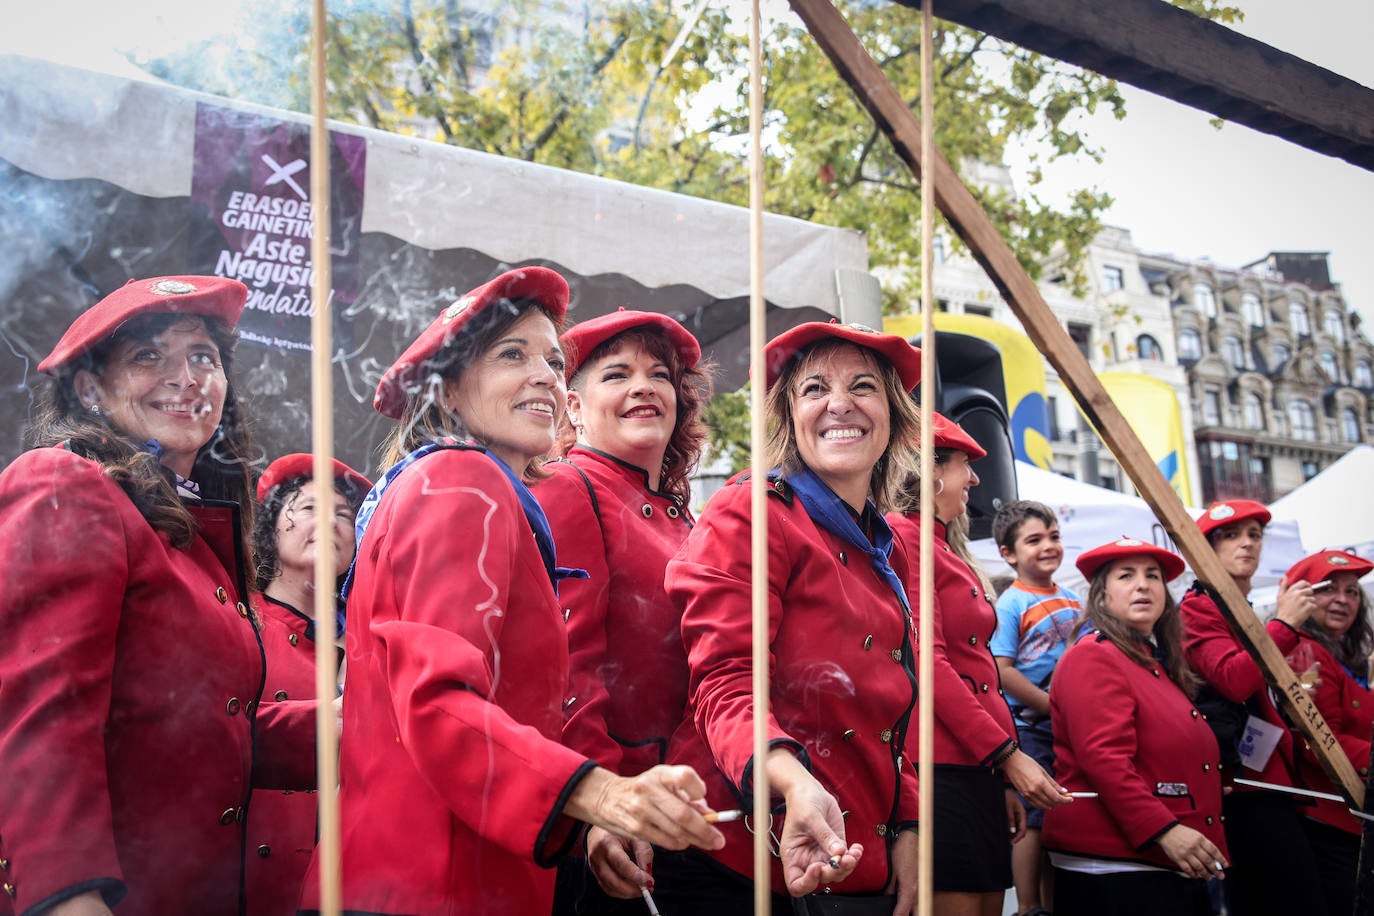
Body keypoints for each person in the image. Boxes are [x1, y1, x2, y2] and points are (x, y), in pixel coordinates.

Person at [296, 267, 723, 916]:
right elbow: (438, 703)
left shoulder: (452, 483)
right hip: (433, 885)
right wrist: (602, 793)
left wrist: (585, 822)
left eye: (553, 360)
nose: (547, 376)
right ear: (450, 390)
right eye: (512, 354)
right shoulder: (462, 479)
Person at [0, 276, 315, 916]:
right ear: (89, 389)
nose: (189, 375)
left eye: (204, 355)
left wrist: (355, 724)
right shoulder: (64, 481)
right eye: (149, 355)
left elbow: (203, 728)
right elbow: (39, 720)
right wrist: (67, 896)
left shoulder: (198, 540)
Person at [657, 321, 924, 914]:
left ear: (894, 413)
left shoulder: (889, 544)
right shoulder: (752, 510)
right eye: (813, 389)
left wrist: (907, 825)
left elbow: (896, 713)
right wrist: (792, 782)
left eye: (864, 386)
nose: (839, 404)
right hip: (736, 860)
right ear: (789, 415)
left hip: (854, 860)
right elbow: (724, 683)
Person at [534, 308, 712, 912]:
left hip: (690, 807)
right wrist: (601, 807)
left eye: (658, 374)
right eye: (616, 374)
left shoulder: (681, 515)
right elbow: (567, 666)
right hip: (626, 819)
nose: (642, 386)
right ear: (575, 407)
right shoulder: (569, 486)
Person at [888, 414, 1071, 916]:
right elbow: (930, 660)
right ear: (929, 471)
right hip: (941, 762)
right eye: (963, 465)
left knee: (989, 901)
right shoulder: (906, 538)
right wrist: (1008, 756)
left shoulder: (937, 544)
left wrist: (1002, 774)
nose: (972, 479)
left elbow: (981, 673)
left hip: (976, 761)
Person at [1043, 537, 1228, 916]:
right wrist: (1164, 830)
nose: (1143, 584)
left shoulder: (1150, 660)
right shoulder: (1095, 655)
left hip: (1157, 862)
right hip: (1118, 864)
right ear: (1102, 595)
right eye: (1126, 576)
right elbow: (1105, 759)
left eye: (1153, 576)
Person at [1179, 498, 1326, 915]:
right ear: (1206, 547)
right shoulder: (1198, 606)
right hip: (1243, 785)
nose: (1247, 544)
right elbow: (1234, 679)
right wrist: (1285, 625)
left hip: (1265, 778)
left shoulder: (1233, 605)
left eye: (1254, 535)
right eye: (1232, 535)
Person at [247, 453, 372, 916]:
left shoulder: (372, 641)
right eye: (307, 508)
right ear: (270, 526)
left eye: (344, 514)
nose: (331, 523)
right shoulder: (241, 625)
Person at [990, 500, 1083, 916]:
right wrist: (1051, 704)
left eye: (1054, 536)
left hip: (1066, 724)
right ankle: (1028, 905)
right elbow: (1002, 669)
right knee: (1032, 818)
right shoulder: (1011, 603)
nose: (1048, 546)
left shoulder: (1073, 599)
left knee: (1060, 815)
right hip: (1029, 725)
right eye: (1034, 540)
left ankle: (1049, 901)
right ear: (1008, 554)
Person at [1281, 549, 1374, 916]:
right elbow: (1316, 741)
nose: (1342, 599)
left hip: (1353, 821)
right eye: (1328, 588)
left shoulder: (1345, 654)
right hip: (1330, 822)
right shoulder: (1305, 650)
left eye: (1352, 591)